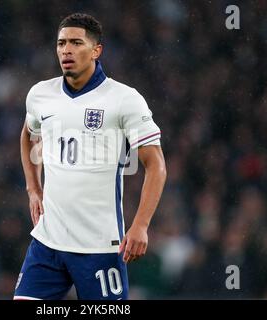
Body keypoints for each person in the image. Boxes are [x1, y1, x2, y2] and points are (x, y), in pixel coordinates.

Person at [15, 13, 167, 300]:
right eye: (61, 43)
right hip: (47, 243)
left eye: (75, 43)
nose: (66, 50)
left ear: (97, 50)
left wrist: (141, 225)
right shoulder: (40, 94)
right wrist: (33, 188)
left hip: (100, 247)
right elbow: (28, 135)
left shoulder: (124, 99)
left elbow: (156, 165)